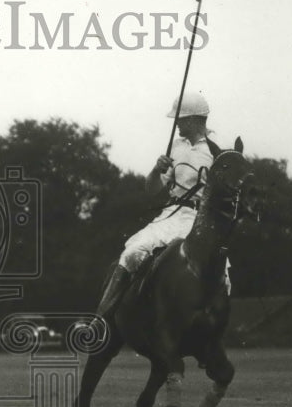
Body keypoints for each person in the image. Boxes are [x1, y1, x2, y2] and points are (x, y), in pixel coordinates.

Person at [97, 91, 228, 318]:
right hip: (170, 216)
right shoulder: (175, 147)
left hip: (199, 221)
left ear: (194, 119)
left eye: (180, 119)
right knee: (132, 252)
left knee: (223, 276)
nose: (176, 123)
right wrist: (156, 170)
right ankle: (103, 317)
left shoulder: (215, 153)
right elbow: (152, 190)